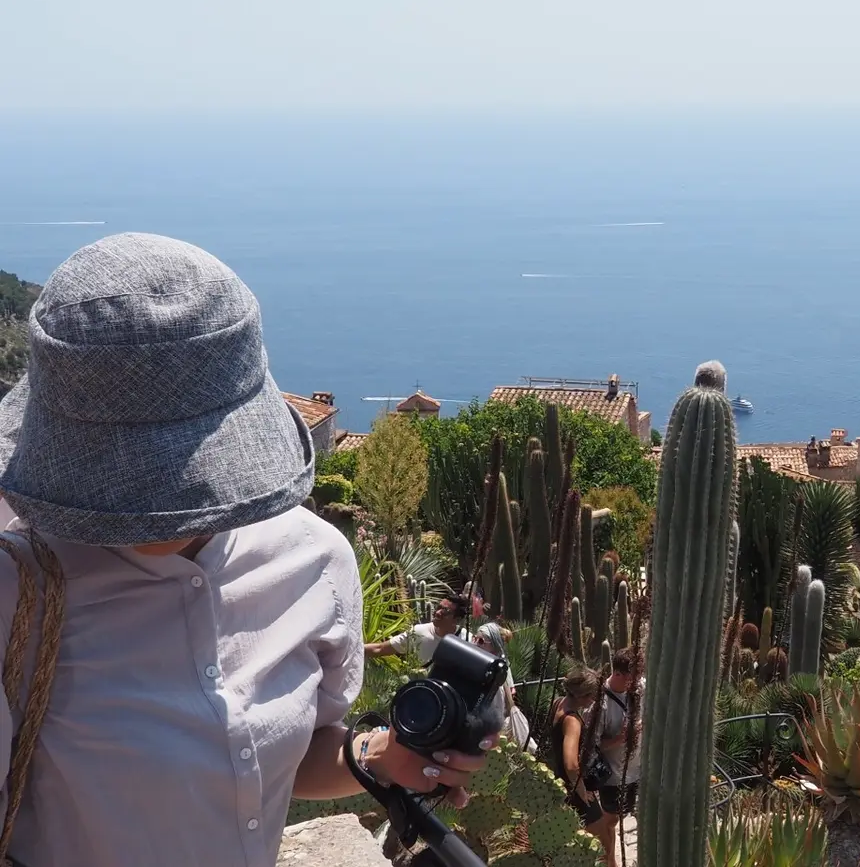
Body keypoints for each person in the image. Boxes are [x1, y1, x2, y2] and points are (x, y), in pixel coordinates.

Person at [0, 233, 494, 867]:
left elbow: (286, 758)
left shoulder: (314, 561)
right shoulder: (17, 588)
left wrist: (378, 757)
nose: (155, 501)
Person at [597, 649, 644, 866]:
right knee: (610, 821)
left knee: (640, 815)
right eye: (632, 678)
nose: (637, 682)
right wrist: (620, 739)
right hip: (614, 775)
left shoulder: (640, 687)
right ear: (618, 674)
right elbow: (594, 745)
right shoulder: (601, 703)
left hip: (640, 769)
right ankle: (610, 862)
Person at [549, 667, 605, 841]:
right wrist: (583, 793)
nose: (593, 700)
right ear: (581, 695)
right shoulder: (572, 721)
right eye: (591, 695)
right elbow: (571, 765)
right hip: (573, 789)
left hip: (558, 782)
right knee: (600, 841)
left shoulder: (558, 703)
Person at [472, 623, 535, 753]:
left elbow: (496, 713)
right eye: (474, 638)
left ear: (494, 649)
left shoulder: (496, 678)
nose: (475, 643)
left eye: (481, 641)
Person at [365, 595, 469, 663]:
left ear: (457, 619)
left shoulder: (467, 640)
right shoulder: (418, 632)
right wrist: (351, 649)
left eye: (445, 611)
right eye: (438, 607)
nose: (438, 613)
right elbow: (380, 649)